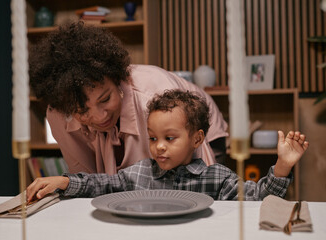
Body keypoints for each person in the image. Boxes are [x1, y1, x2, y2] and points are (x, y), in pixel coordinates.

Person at [26, 90, 308, 201]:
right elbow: (100, 184)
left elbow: (259, 199)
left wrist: (282, 166)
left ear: (197, 139)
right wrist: (64, 181)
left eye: (169, 138)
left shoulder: (218, 178)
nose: (158, 147)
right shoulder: (138, 174)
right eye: (152, 138)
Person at [29, 21, 228, 175]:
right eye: (82, 111)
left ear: (117, 79)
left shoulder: (155, 96)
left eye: (105, 99)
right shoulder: (59, 112)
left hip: (199, 129)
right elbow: (86, 179)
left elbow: (204, 181)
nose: (99, 117)